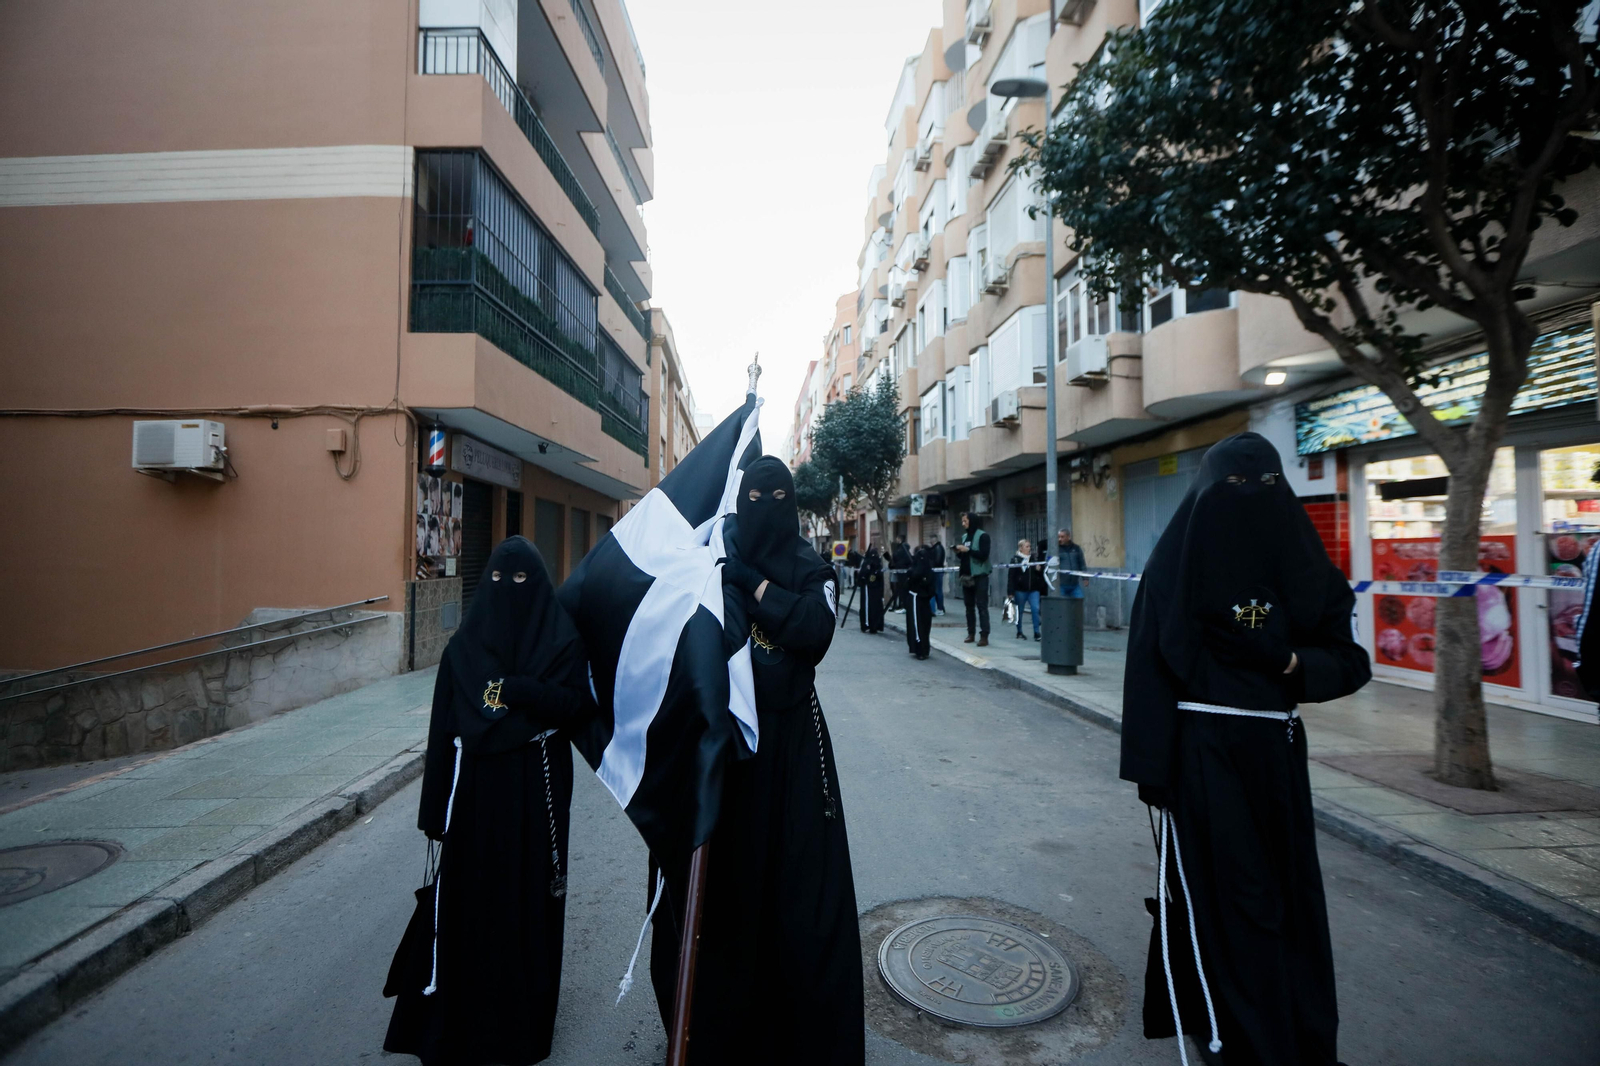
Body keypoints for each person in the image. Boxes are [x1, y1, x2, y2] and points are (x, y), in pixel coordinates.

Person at [1121, 433, 1371, 1066]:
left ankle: (1300, 1042)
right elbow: (1148, 669)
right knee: (1232, 904)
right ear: (1206, 491)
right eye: (1232, 486)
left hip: (1277, 756)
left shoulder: (1305, 569)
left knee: (1291, 901)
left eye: (1264, 486)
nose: (1248, 499)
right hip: (1203, 757)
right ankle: (1239, 1044)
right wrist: (1153, 771)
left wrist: (1288, 661)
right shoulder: (1175, 567)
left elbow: (1350, 661)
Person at [650, 456, 864, 1066]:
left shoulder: (809, 564)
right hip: (730, 755)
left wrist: (753, 585)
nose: (765, 507)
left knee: (801, 893)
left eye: (777, 497)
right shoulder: (716, 552)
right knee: (727, 892)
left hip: (794, 752)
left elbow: (813, 631)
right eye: (754, 497)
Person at [384, 537, 594, 1066]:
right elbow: (443, 731)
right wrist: (434, 813)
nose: (508, 590)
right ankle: (462, 1018)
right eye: (499, 579)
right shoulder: (464, 648)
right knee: (473, 899)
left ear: (539, 585)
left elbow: (576, 705)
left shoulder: (561, 641)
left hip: (538, 791)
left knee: (530, 899)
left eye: (521, 580)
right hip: (476, 796)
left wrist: (519, 689)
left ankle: (521, 1025)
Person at [956, 512, 991, 646]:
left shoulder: (983, 536)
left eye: (965, 521)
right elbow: (964, 557)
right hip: (966, 576)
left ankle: (984, 635)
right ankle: (971, 633)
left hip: (980, 575)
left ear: (972, 521)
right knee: (968, 607)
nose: (963, 524)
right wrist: (959, 552)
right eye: (962, 521)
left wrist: (968, 550)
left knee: (982, 606)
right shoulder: (965, 536)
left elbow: (983, 555)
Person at [1008, 538, 1044, 641]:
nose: (1029, 548)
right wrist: (1010, 592)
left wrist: (1038, 570)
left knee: (1035, 609)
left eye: (1030, 546)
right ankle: (1019, 631)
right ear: (1021, 548)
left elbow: (1039, 574)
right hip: (1020, 590)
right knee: (1019, 611)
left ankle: (1037, 632)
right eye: (1027, 546)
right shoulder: (1015, 560)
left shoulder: (1033, 559)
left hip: (1033, 589)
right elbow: (1011, 577)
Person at [904, 544, 935, 660]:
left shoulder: (915, 571)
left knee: (919, 625)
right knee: (923, 625)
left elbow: (909, 584)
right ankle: (923, 649)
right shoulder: (928, 571)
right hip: (923, 600)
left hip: (917, 599)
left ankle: (920, 649)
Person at [857, 545, 886, 634]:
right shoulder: (871, 563)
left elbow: (862, 575)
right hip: (871, 589)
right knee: (871, 607)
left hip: (872, 588)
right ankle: (872, 625)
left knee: (872, 607)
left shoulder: (871, 563)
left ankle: (871, 625)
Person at [1057, 528, 1088, 598]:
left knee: (1080, 600)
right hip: (1061, 585)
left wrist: (1085, 578)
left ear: (1068, 537)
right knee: (1062, 604)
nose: (1060, 539)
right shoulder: (1056, 549)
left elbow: (1082, 563)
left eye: (1062, 537)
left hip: (1074, 585)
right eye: (1059, 537)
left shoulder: (1076, 548)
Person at [889, 538, 912, 613]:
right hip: (900, 573)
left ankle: (901, 605)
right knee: (899, 590)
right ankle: (900, 605)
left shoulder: (899, 551)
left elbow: (893, 561)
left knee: (899, 590)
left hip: (900, 573)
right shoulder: (905, 551)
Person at [930, 537, 947, 615]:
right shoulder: (937, 547)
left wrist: (932, 565)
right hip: (937, 571)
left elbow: (937, 560)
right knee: (937, 590)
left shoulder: (938, 548)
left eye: (931, 540)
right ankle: (940, 608)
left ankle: (940, 609)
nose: (930, 542)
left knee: (938, 590)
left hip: (937, 571)